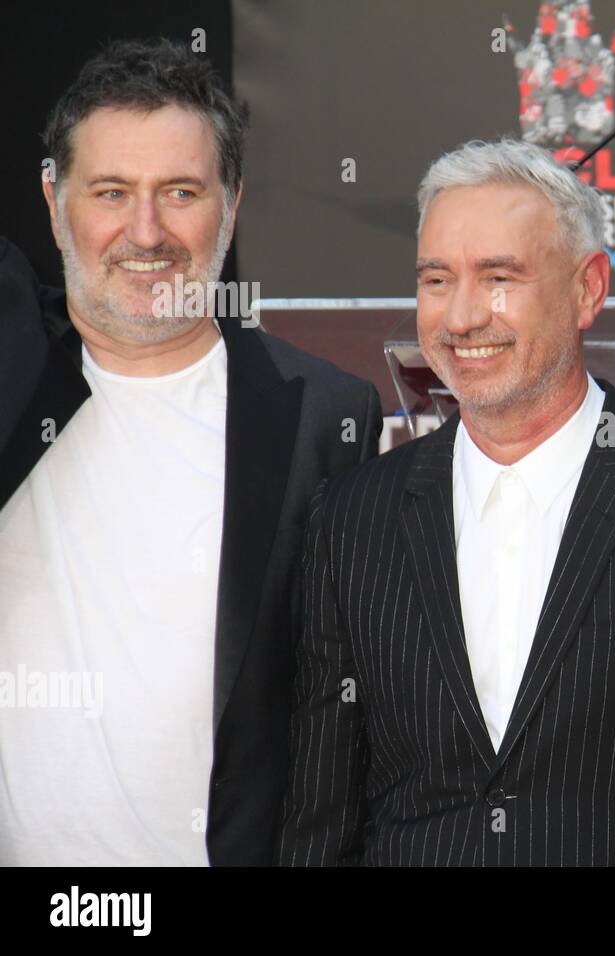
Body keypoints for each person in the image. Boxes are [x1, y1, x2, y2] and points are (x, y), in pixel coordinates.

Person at [276, 138, 615, 865]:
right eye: (436, 280)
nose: (460, 318)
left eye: (499, 277)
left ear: (588, 289)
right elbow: (320, 816)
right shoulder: (353, 517)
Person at [0, 38, 380, 866]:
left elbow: (353, 716)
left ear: (232, 205)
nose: (147, 231)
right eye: (110, 191)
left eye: (181, 191)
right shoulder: (12, 375)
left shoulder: (326, 414)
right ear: (53, 198)